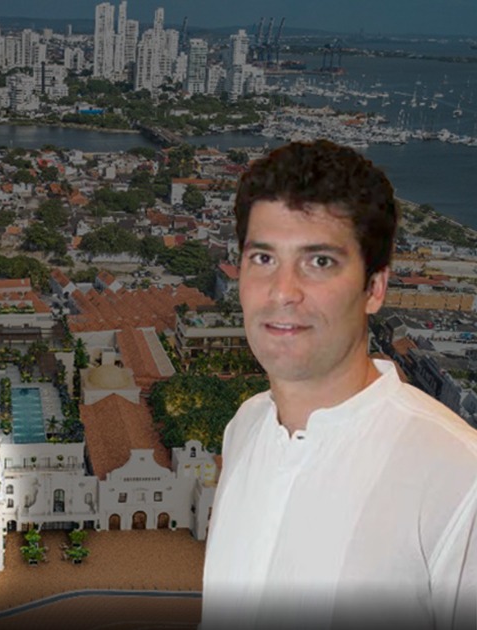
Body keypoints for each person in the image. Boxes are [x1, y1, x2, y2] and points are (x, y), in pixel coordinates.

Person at [201, 140, 477, 630]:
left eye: (320, 261)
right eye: (263, 258)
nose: (283, 291)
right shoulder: (245, 428)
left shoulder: (459, 478)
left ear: (375, 288)